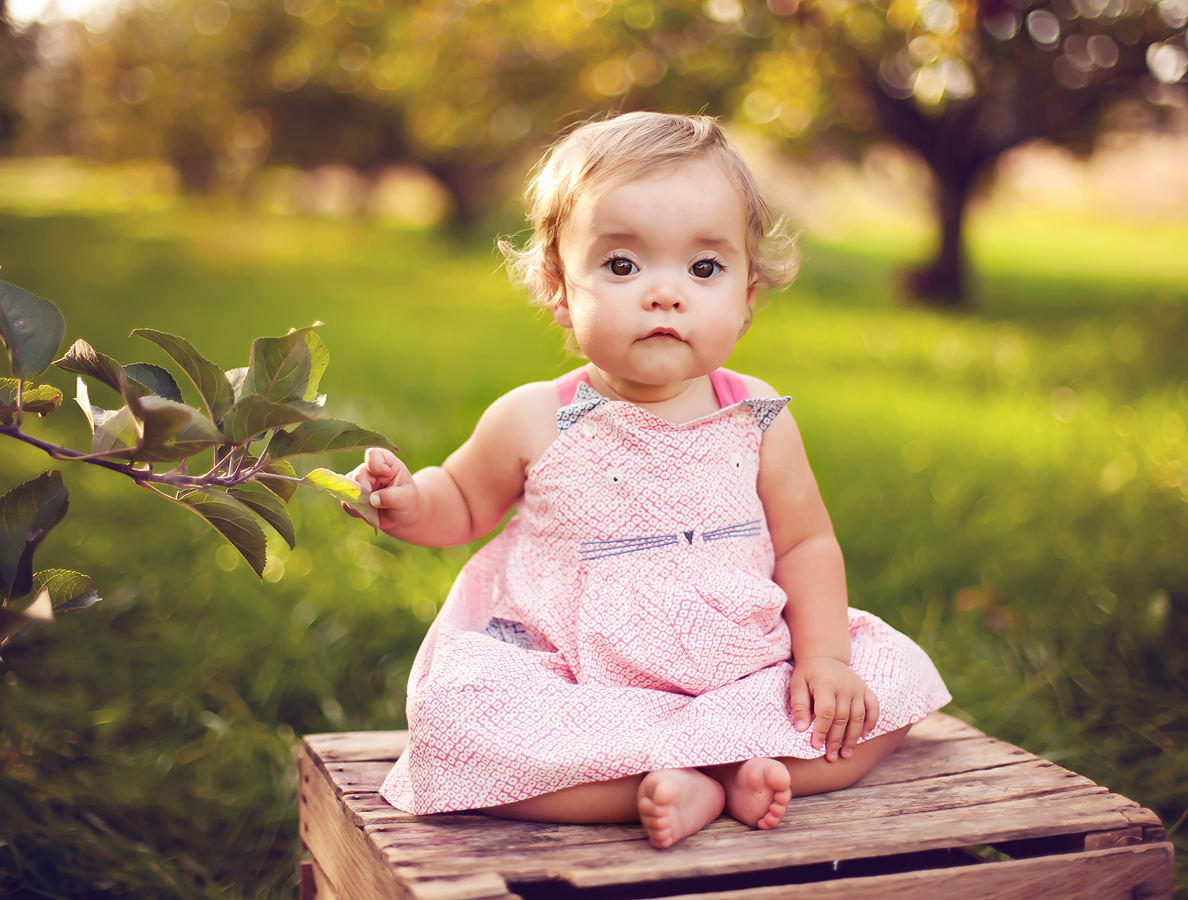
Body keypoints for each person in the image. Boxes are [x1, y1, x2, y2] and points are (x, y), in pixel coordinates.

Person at [347, 111, 951, 849]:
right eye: (624, 266)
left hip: (738, 668)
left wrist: (823, 659)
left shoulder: (757, 416)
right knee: (459, 725)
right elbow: (464, 502)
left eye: (704, 269)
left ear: (748, 295)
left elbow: (806, 544)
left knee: (886, 687)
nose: (666, 295)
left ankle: (709, 772)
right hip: (577, 680)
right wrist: (408, 501)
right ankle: (694, 779)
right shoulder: (537, 417)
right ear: (559, 288)